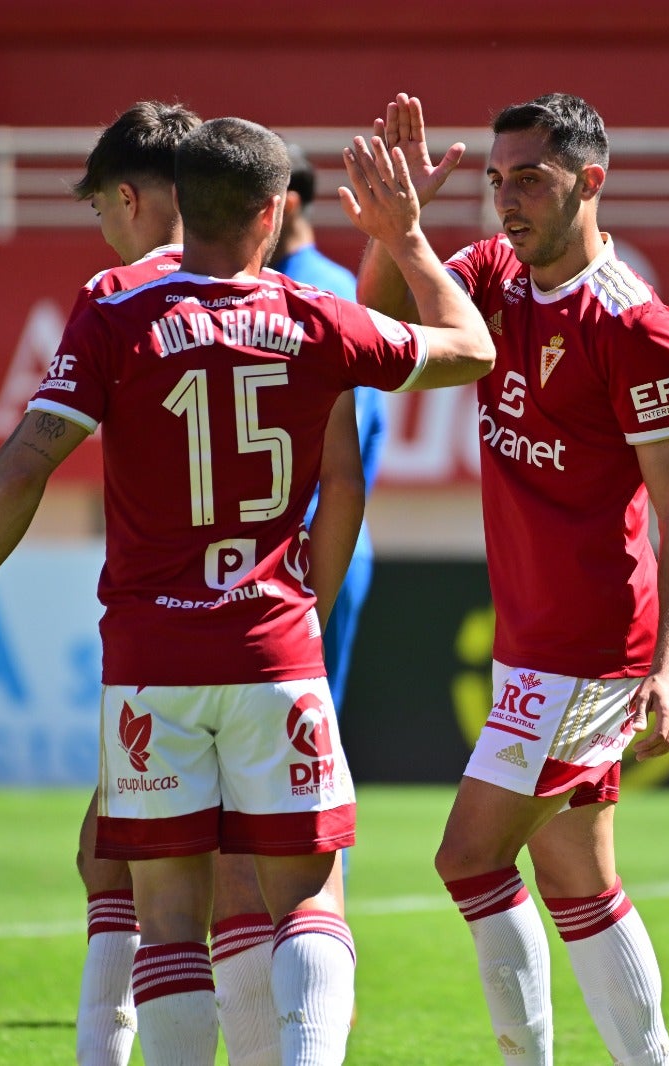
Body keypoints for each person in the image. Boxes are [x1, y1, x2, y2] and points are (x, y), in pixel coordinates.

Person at [0, 117, 494, 1065]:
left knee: (170, 917)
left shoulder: (114, 310)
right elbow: (469, 349)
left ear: (179, 205)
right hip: (274, 649)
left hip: (152, 666)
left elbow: (26, 463)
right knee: (304, 900)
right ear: (276, 213)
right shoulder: (318, 317)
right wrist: (405, 236)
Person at [356, 92, 669, 1066]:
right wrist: (403, 234)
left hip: (591, 644)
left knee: (467, 857)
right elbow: (377, 321)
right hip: (531, 640)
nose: (506, 201)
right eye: (496, 179)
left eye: (530, 180)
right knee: (577, 878)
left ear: (589, 183)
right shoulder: (491, 276)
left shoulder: (638, 327)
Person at [270, 142, 386, 735]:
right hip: (310, 536)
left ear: (285, 204)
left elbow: (358, 429)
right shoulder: (313, 284)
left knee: (304, 729)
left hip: (316, 535)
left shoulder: (322, 291)